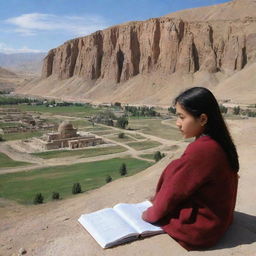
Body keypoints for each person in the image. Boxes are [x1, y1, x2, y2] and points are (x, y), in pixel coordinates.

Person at [141, 87, 239, 250]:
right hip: (222, 220)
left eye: (182, 117)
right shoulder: (217, 142)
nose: (177, 123)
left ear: (202, 119)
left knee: (167, 211)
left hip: (204, 230)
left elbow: (174, 190)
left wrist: (150, 214)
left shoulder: (202, 150)